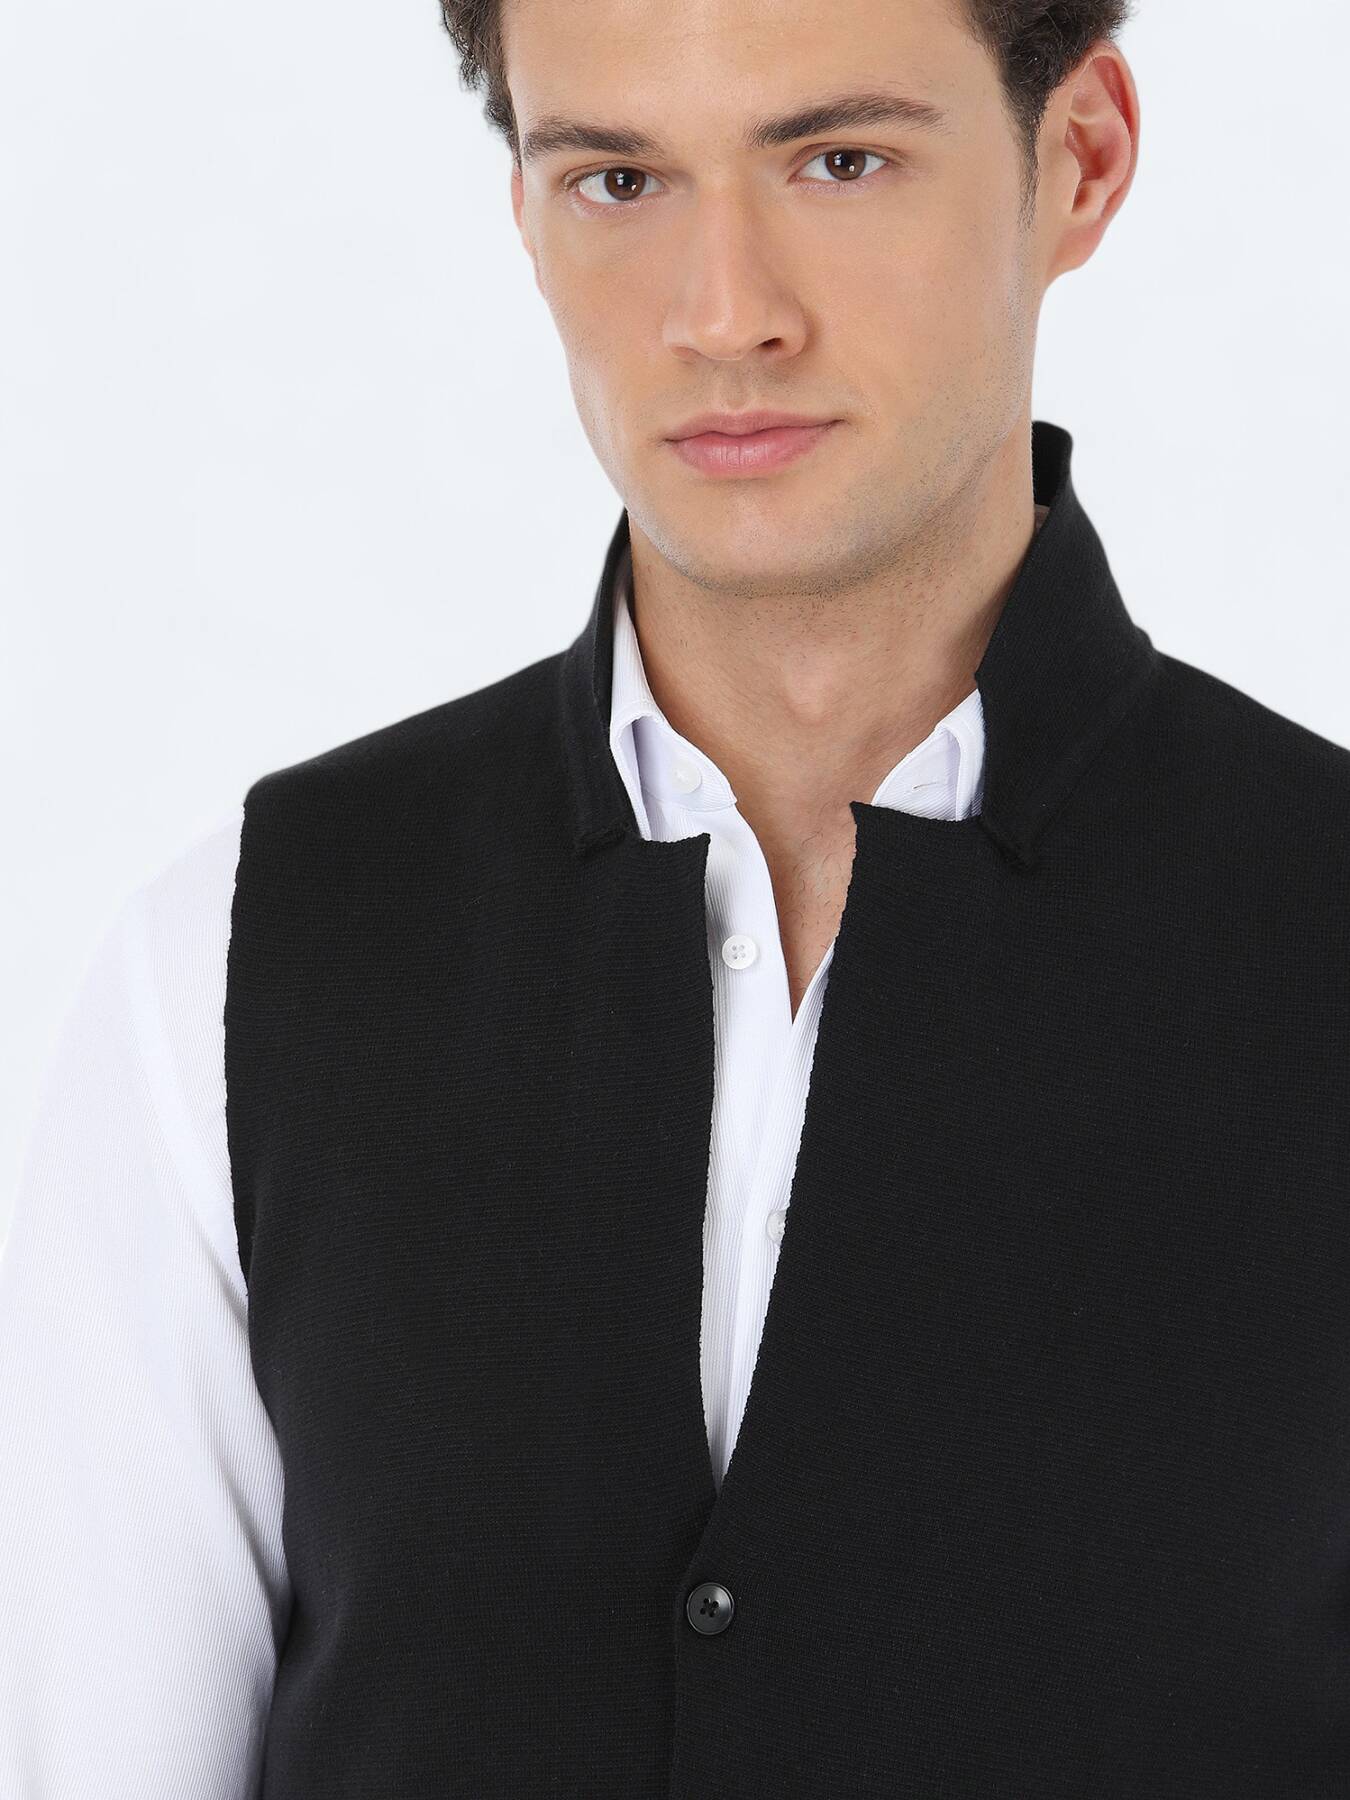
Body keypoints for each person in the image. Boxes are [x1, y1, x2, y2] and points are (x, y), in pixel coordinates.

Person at [5, 0, 1350, 1793]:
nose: (723, 314)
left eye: (839, 161)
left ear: (1079, 159)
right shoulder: (236, 963)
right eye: (619, 179)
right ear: (524, 207)